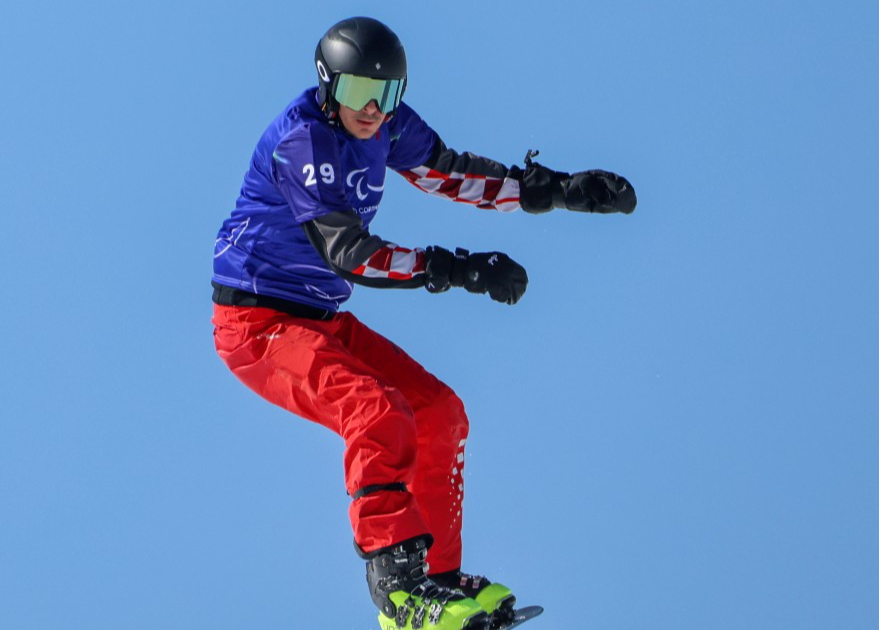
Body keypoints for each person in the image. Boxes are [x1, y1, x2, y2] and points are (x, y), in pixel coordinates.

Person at [210, 16, 636, 630]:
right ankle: (399, 590)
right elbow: (351, 255)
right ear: (328, 85)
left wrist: (558, 190)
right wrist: (456, 268)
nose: (373, 111)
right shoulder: (303, 141)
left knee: (439, 412)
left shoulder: (385, 126)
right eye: (359, 94)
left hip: (320, 318)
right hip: (257, 323)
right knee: (376, 411)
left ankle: (436, 579)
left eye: (387, 96)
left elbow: (449, 173)